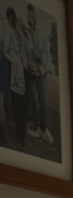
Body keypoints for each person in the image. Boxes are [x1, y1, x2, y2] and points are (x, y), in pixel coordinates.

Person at [23, 3, 49, 144]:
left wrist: (41, 66)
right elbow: (27, 52)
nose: (30, 17)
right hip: (31, 71)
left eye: (32, 14)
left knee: (42, 100)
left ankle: (43, 127)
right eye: (28, 15)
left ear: (35, 17)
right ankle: (37, 126)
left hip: (40, 71)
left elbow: (39, 54)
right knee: (34, 99)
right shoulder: (28, 33)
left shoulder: (38, 34)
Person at [2, 7, 27, 147]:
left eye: (21, 25)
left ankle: (22, 134)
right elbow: (5, 51)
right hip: (14, 76)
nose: (19, 26)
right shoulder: (10, 34)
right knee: (16, 105)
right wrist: (15, 61)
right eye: (18, 23)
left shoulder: (20, 37)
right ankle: (19, 135)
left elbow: (24, 55)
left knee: (22, 106)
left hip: (23, 76)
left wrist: (24, 63)